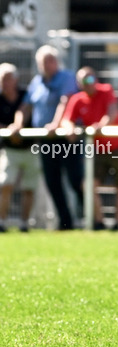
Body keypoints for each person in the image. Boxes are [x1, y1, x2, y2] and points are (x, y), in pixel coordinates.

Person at [15, 46, 82, 230]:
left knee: (76, 180)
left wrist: (55, 124)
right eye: (43, 62)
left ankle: (91, 217)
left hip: (66, 138)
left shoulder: (66, 77)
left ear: (56, 61)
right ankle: (65, 222)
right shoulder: (36, 82)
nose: (47, 65)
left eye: (50, 60)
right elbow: (26, 106)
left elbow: (65, 101)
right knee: (52, 181)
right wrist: (18, 123)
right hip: (46, 140)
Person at [60, 67, 118, 231]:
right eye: (84, 81)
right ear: (78, 84)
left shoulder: (106, 90)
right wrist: (69, 129)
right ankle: (99, 222)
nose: (88, 83)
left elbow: (112, 112)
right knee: (88, 185)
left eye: (91, 79)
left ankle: (117, 224)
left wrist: (101, 126)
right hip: (98, 149)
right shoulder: (77, 99)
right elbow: (66, 119)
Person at [0, 63, 41, 232]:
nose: (5, 82)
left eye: (8, 78)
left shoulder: (26, 94)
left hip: (30, 147)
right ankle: (2, 222)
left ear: (16, 80)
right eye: (3, 79)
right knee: (5, 184)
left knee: (29, 188)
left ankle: (25, 223)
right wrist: (9, 131)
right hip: (9, 150)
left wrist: (18, 127)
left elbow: (24, 111)